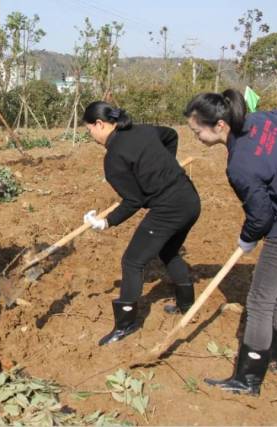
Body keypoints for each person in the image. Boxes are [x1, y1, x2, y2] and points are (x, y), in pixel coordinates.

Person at [184, 89, 277, 396]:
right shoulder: (264, 119)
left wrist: (246, 239)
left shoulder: (240, 164)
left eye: (197, 131)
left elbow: (261, 217)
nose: (196, 137)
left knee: (260, 299)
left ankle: (248, 379)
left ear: (219, 125)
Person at [81, 101, 201, 346]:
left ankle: (125, 324)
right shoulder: (144, 130)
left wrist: (105, 222)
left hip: (169, 209)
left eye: (89, 129)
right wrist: (166, 165)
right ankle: (186, 303)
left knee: (132, 261)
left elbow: (133, 200)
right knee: (168, 250)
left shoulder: (114, 158)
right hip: (190, 199)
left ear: (100, 124)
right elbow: (171, 135)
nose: (90, 135)